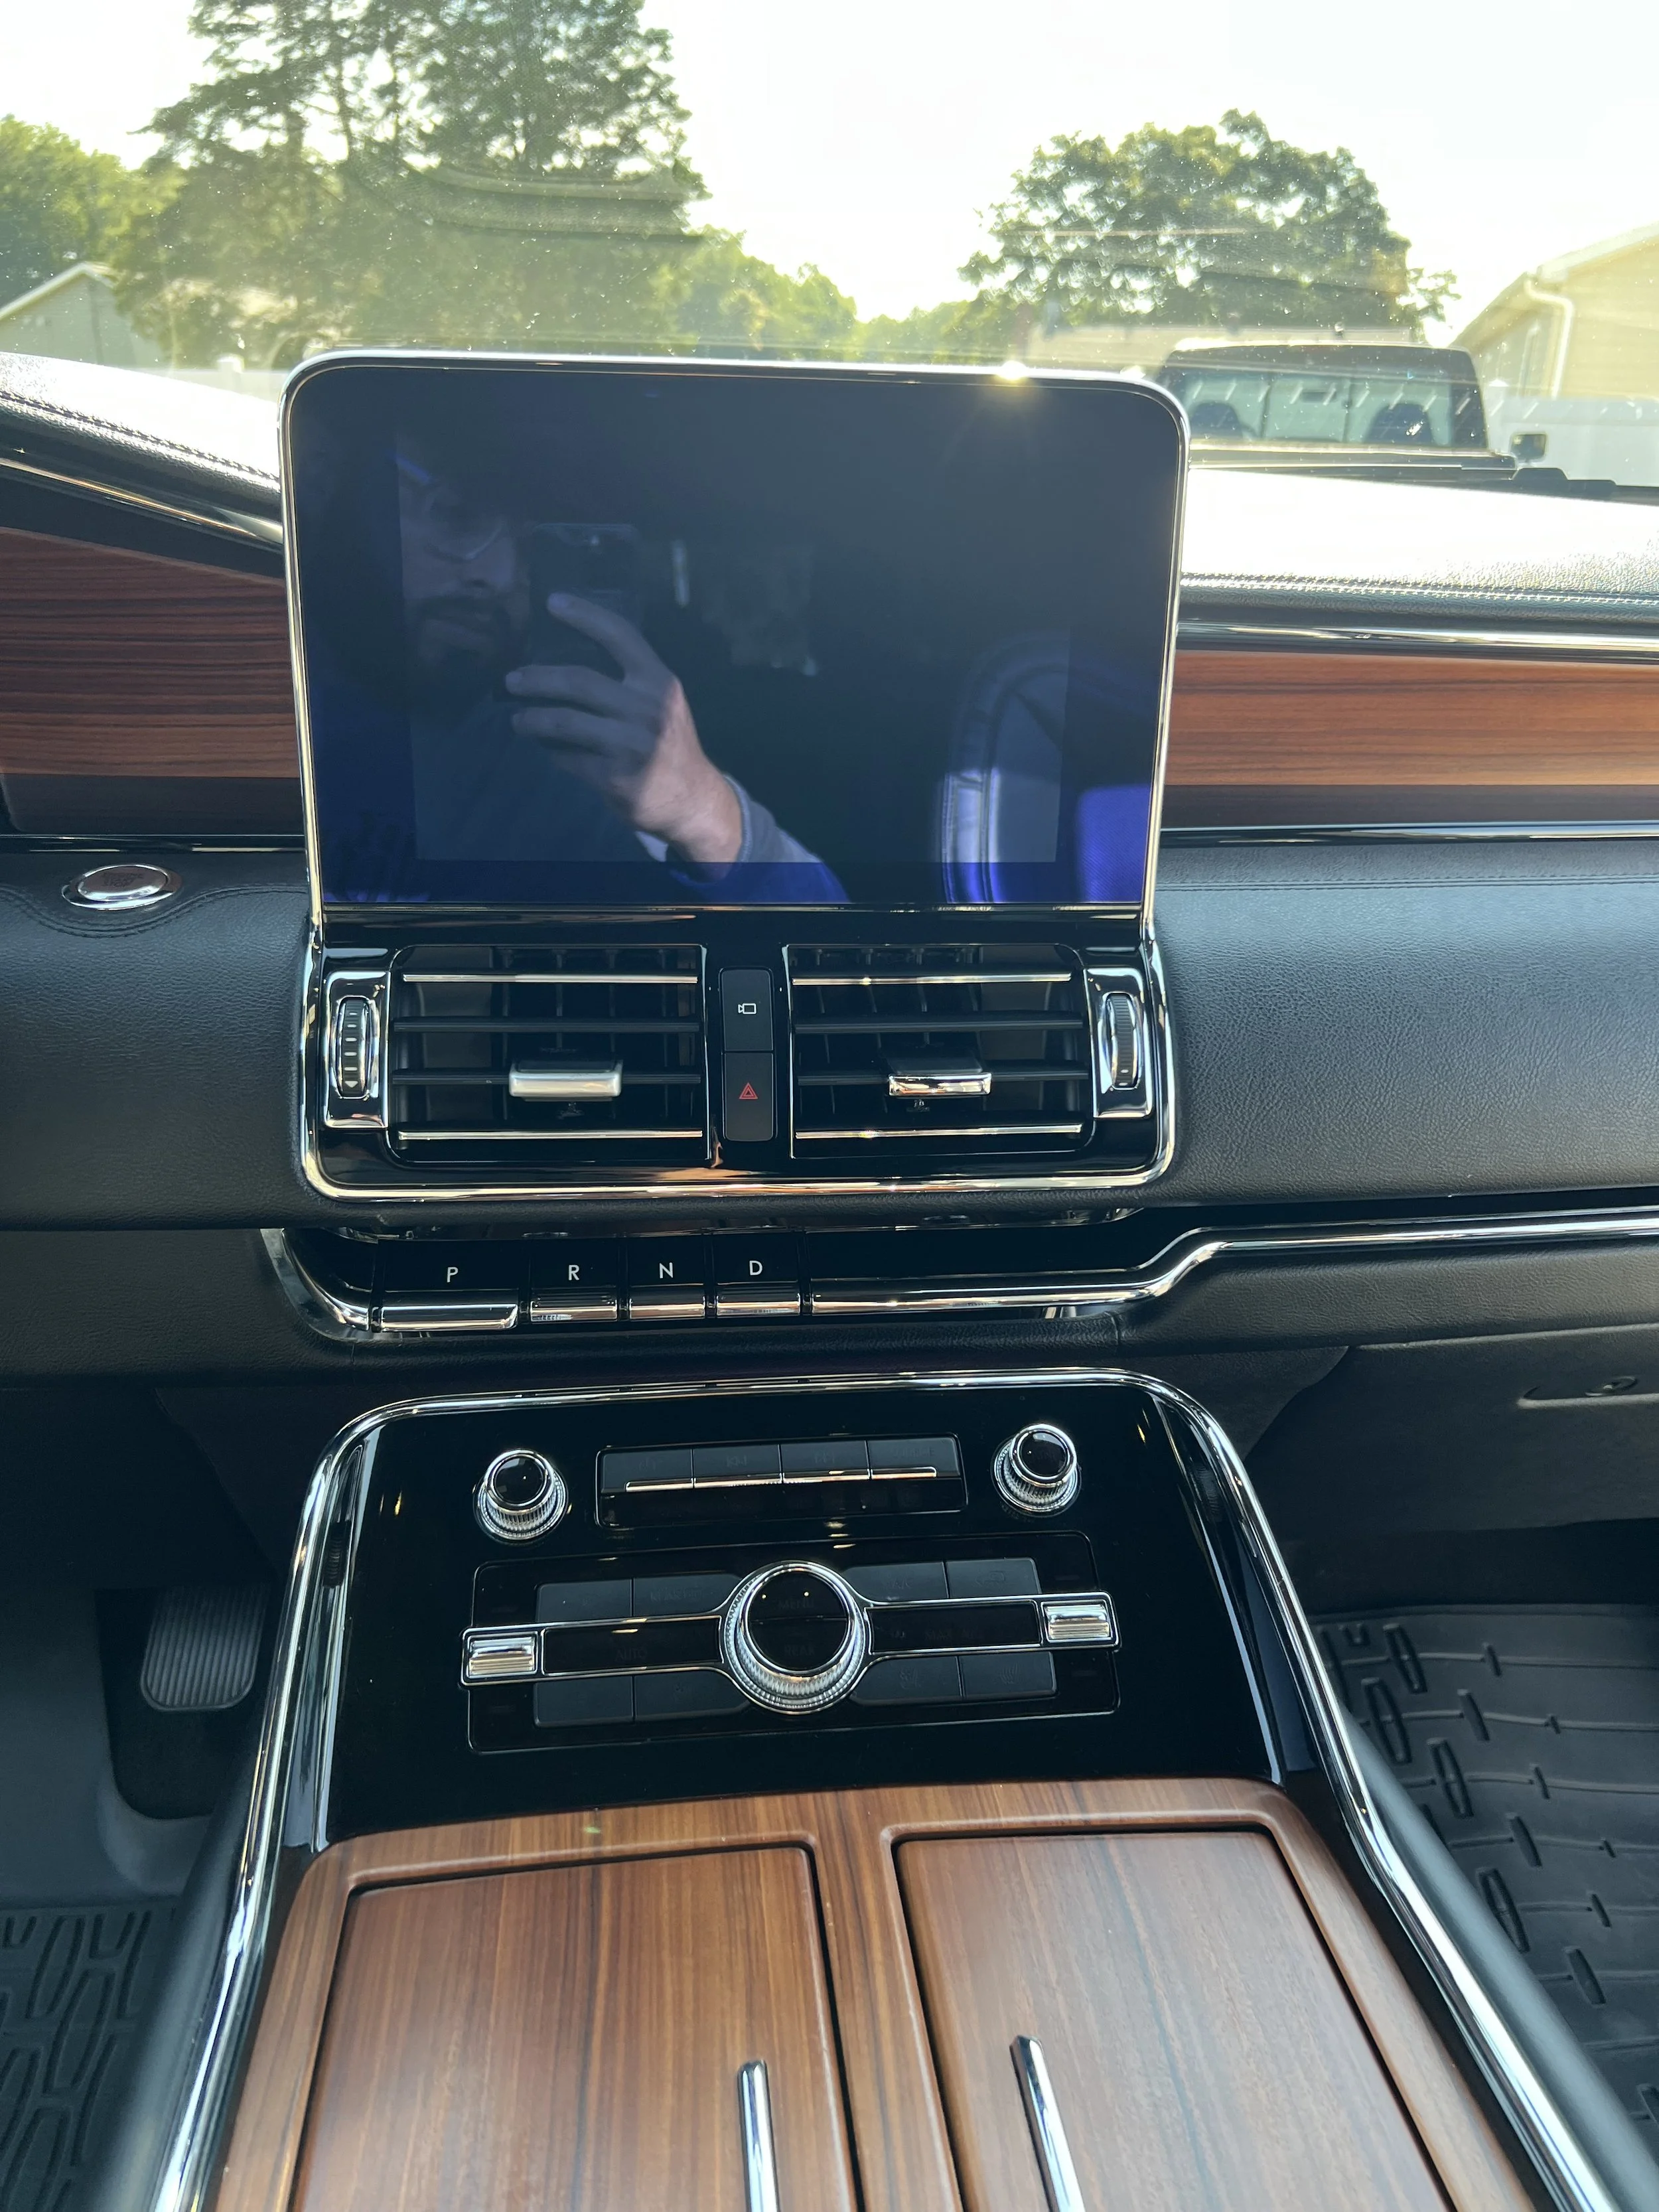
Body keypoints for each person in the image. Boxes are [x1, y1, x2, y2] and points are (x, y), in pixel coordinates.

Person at [397, 454, 843, 896]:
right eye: (458, 516)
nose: (501, 577)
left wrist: (703, 808)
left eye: (533, 556)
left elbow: (829, 943)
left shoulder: (555, 768)